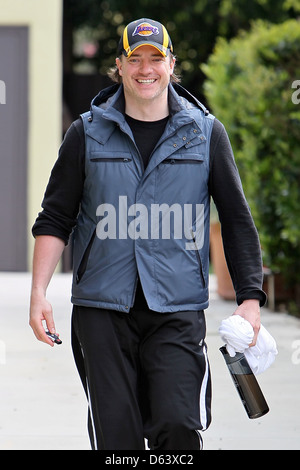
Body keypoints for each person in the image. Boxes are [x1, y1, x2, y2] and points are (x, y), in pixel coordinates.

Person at [29, 18, 266, 450]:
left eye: (155, 58)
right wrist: (39, 292)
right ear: (119, 66)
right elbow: (55, 217)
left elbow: (236, 220)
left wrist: (250, 300)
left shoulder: (205, 133)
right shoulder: (86, 133)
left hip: (176, 308)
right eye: (134, 58)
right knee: (117, 439)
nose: (145, 68)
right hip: (102, 309)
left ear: (171, 63)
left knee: (177, 428)